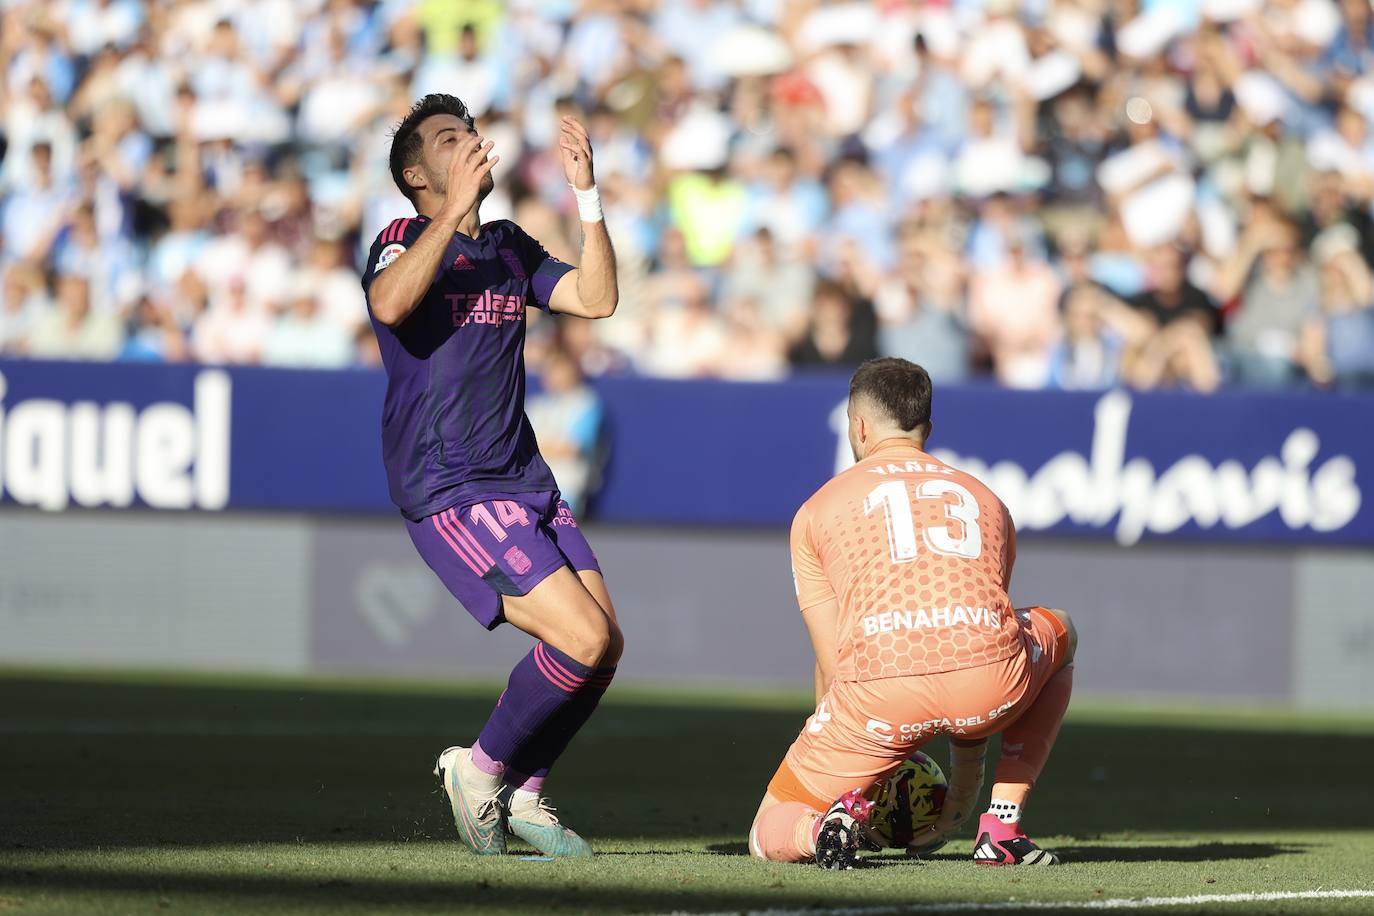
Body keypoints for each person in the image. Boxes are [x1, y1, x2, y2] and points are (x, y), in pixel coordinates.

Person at [360, 94, 621, 858]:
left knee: (605, 647)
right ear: (417, 174)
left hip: (523, 476)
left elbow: (597, 298)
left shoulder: (508, 245)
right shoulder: (401, 238)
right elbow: (389, 301)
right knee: (581, 636)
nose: (469, 141)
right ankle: (478, 772)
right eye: (448, 138)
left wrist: (587, 196)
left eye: (469, 129)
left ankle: (529, 795)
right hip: (451, 486)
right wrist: (453, 216)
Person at [749, 358, 1077, 869]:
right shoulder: (986, 499)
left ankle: (822, 829)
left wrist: (867, 759)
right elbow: (982, 626)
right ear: (927, 428)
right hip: (989, 685)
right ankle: (1001, 827)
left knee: (770, 829)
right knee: (1062, 630)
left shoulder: (817, 509)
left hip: (879, 695)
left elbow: (836, 659)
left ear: (858, 426)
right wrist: (962, 801)